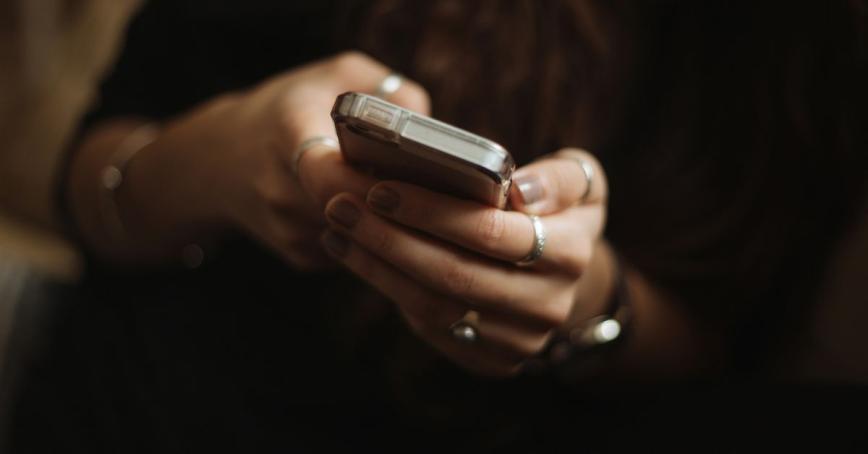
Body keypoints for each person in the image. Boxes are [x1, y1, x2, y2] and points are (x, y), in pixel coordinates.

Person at [10, 0, 868, 451]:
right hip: (153, 415)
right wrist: (231, 152)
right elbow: (91, 197)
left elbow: (738, 367)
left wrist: (588, 303)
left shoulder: (809, 45)